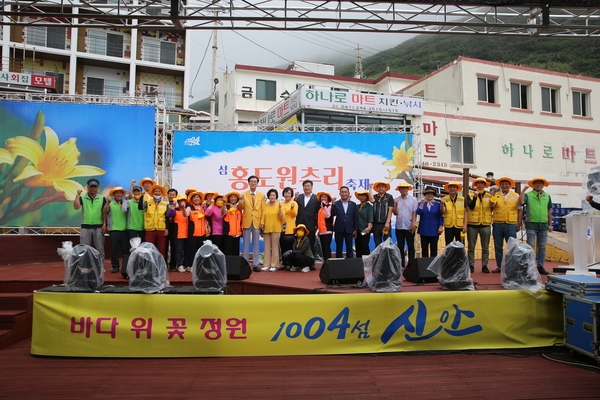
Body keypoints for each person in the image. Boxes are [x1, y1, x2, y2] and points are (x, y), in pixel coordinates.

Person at [519, 176, 553, 275]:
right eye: (537, 183)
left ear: (543, 185)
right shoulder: (528, 195)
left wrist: (550, 224)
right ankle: (529, 266)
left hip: (543, 224)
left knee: (542, 247)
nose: (539, 185)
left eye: (540, 183)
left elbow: (549, 210)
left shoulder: (547, 196)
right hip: (531, 224)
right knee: (530, 246)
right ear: (533, 185)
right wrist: (523, 191)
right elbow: (520, 202)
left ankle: (540, 266)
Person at [490, 177, 521, 273]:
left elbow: (519, 209)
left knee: (512, 246)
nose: (504, 186)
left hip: (510, 224)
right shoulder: (496, 194)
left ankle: (511, 266)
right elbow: (491, 206)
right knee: (498, 246)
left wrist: (519, 224)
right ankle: (499, 266)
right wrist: (493, 193)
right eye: (502, 184)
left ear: (510, 185)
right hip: (497, 223)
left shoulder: (515, 195)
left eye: (506, 184)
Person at [73, 178, 107, 267]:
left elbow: (104, 212)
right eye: (91, 186)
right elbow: (76, 207)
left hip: (98, 226)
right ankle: (83, 266)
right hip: (85, 226)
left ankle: (100, 267)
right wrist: (77, 195)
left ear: (98, 188)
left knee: (100, 248)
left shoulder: (102, 198)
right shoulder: (82, 197)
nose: (93, 188)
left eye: (95, 187)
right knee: (83, 248)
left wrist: (104, 224)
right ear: (88, 187)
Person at [467, 177, 494, 273]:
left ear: (485, 185)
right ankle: (471, 265)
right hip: (472, 225)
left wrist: (493, 197)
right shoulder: (470, 195)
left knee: (485, 247)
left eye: (482, 183)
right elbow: (471, 206)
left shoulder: (489, 195)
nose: (480, 185)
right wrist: (475, 197)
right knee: (471, 247)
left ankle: (484, 265)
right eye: (478, 183)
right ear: (475, 185)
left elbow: (493, 206)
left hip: (485, 224)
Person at [239, 175, 266, 272]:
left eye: (255, 181)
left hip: (257, 222)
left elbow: (263, 210)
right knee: (245, 244)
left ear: (257, 183)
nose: (253, 183)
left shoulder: (262, 195)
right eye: (251, 181)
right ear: (249, 183)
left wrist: (262, 222)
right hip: (246, 221)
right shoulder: (243, 194)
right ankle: (245, 264)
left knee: (256, 244)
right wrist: (241, 200)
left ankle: (255, 264)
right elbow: (240, 208)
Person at [139, 184, 171, 262]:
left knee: (161, 249)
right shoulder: (147, 202)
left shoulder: (165, 204)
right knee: (149, 249)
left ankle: (161, 265)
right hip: (150, 229)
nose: (157, 193)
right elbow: (140, 207)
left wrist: (167, 228)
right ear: (152, 192)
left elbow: (167, 218)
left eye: (159, 191)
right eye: (155, 191)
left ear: (161, 193)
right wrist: (141, 197)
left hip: (161, 229)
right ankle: (149, 265)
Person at [103, 186, 129, 274]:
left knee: (125, 250)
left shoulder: (126, 202)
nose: (119, 194)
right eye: (117, 193)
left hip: (125, 230)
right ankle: (115, 266)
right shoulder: (110, 203)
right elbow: (104, 211)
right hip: (114, 230)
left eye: (120, 193)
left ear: (122, 194)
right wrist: (107, 202)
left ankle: (125, 267)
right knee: (114, 250)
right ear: (114, 194)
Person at [392, 182, 418, 269]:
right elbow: (395, 213)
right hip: (399, 226)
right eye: (401, 188)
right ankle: (401, 264)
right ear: (399, 190)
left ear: (408, 189)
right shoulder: (396, 199)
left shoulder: (413, 199)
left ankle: (411, 265)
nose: (403, 190)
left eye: (405, 188)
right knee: (400, 246)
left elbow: (414, 213)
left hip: (409, 226)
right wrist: (395, 204)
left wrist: (413, 224)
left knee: (411, 246)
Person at [416, 186, 444, 258]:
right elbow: (418, 212)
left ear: (434, 195)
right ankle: (424, 265)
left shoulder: (438, 204)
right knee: (424, 249)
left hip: (434, 230)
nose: (429, 195)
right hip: (424, 229)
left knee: (434, 249)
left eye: (431, 194)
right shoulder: (420, 204)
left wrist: (441, 226)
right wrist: (422, 203)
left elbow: (440, 216)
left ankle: (433, 266)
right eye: (427, 194)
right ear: (425, 195)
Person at [261, 189, 284, 272]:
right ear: (268, 196)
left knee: (275, 247)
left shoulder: (279, 204)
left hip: (276, 228)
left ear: (276, 196)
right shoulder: (265, 205)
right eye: (271, 195)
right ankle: (266, 264)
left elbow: (282, 216)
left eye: (274, 195)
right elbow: (263, 216)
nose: (272, 197)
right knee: (266, 247)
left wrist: (280, 209)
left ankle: (274, 265)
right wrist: (262, 225)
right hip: (266, 228)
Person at [332, 186, 357, 258]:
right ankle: (338, 264)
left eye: (345, 192)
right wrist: (333, 205)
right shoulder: (336, 203)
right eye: (342, 192)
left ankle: (350, 264)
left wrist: (355, 229)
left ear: (348, 193)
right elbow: (333, 214)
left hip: (349, 228)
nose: (344, 193)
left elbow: (355, 217)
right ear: (340, 194)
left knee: (349, 248)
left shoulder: (353, 204)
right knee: (338, 247)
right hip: (339, 228)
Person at [295, 179, 320, 252]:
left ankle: (311, 260)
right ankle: (300, 260)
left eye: (308, 186)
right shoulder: (299, 197)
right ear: (303, 187)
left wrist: (317, 224)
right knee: (299, 242)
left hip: (311, 224)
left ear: (312, 187)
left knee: (311, 242)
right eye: (305, 186)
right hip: (300, 223)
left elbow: (318, 212)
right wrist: (295, 199)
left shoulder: (316, 198)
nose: (307, 188)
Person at [187, 191, 209, 270]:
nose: (196, 199)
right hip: (193, 233)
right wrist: (183, 208)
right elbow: (186, 214)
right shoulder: (190, 207)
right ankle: (192, 265)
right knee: (192, 251)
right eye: (194, 197)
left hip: (202, 233)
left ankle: (200, 265)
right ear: (192, 199)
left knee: (201, 251)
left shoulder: (203, 207)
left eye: (198, 197)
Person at [441, 181, 467, 245]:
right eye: (450, 187)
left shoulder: (462, 199)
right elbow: (442, 212)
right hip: (449, 226)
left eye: (454, 187)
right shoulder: (444, 199)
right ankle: (449, 255)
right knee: (448, 245)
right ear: (448, 189)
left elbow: (465, 213)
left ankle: (460, 255)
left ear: (457, 189)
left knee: (461, 244)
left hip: (459, 226)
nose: (452, 189)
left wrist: (465, 225)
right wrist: (441, 204)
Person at [370, 181, 394, 247]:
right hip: (376, 224)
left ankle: (387, 257)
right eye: (379, 187)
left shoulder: (389, 197)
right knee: (377, 243)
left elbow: (390, 210)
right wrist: (370, 188)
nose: (380, 188)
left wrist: (387, 222)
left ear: (385, 188)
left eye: (382, 187)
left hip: (385, 223)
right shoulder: (375, 197)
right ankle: (379, 257)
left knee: (387, 243)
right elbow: (371, 200)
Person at [172, 194, 190, 272]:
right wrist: (172, 208)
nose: (182, 202)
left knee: (187, 251)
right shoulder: (175, 210)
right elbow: (169, 215)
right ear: (178, 202)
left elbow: (187, 215)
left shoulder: (188, 209)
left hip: (187, 233)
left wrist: (183, 208)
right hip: (178, 233)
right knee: (179, 251)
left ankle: (186, 265)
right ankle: (180, 265)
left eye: (184, 201)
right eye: (180, 201)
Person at [280, 187, 298, 258]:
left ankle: (290, 264)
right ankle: (284, 263)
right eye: (286, 193)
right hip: (281, 228)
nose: (287, 194)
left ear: (291, 194)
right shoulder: (280, 203)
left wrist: (292, 208)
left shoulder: (294, 203)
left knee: (289, 248)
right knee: (282, 247)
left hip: (290, 228)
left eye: (289, 193)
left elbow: (295, 214)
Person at [223, 191, 243, 256]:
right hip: (228, 233)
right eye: (231, 197)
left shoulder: (239, 208)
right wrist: (224, 203)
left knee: (236, 250)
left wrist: (241, 199)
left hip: (237, 233)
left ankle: (235, 265)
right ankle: (227, 265)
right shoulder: (226, 207)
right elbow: (222, 213)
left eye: (234, 197)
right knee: (228, 250)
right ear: (229, 199)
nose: (233, 198)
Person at [355, 190, 374, 257]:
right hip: (357, 230)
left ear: (367, 197)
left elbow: (370, 218)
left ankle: (367, 264)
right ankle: (358, 264)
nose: (361, 197)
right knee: (358, 247)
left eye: (363, 195)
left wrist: (369, 228)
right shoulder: (357, 206)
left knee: (364, 247)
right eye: (360, 195)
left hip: (365, 230)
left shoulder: (369, 207)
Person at [316, 191, 334, 262]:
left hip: (327, 231)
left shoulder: (329, 206)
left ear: (328, 199)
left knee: (326, 247)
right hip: (321, 231)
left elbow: (328, 215)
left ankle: (328, 262)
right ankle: (325, 262)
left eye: (325, 197)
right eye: (322, 197)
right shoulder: (320, 208)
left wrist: (325, 207)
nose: (323, 198)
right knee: (323, 248)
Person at [166, 188, 179, 271]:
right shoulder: (164, 204)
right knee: (164, 246)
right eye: (170, 194)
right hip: (166, 227)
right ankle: (164, 264)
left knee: (174, 246)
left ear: (176, 196)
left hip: (175, 227)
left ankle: (173, 265)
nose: (171, 196)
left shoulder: (179, 206)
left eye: (173, 195)